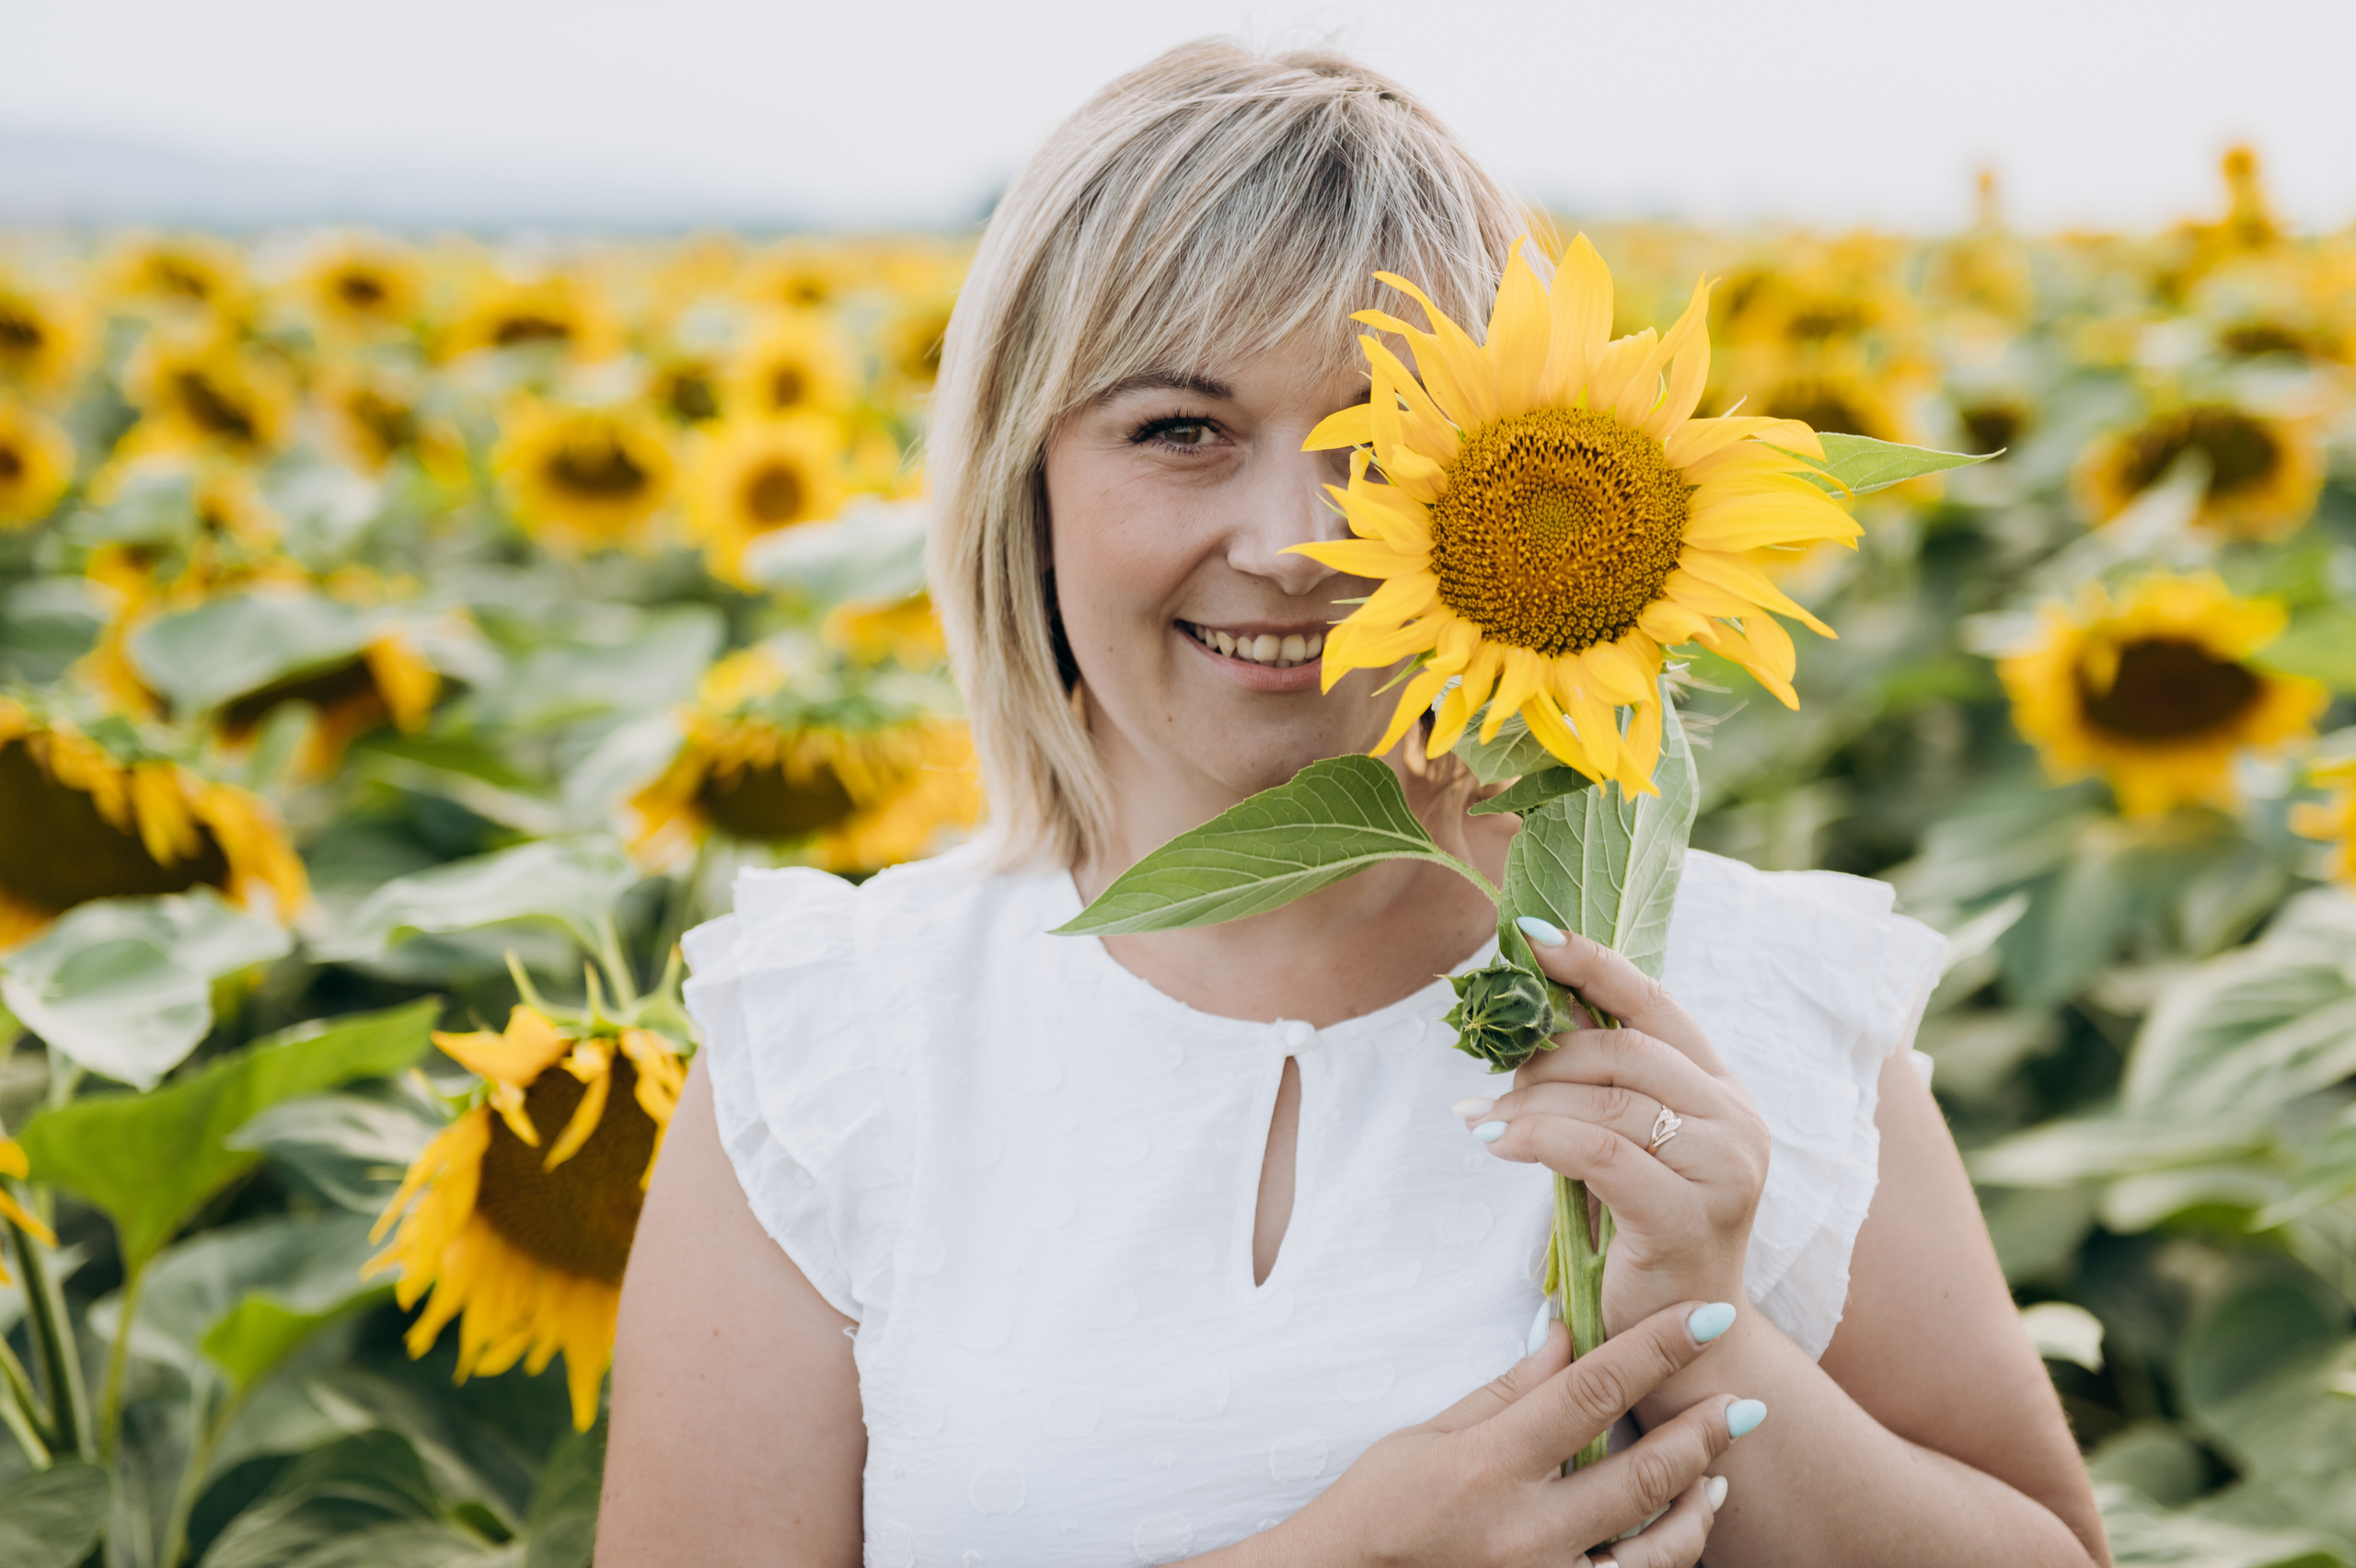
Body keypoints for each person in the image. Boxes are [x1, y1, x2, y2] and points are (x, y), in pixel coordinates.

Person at [599, 39, 2109, 1568]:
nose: (1292, 538)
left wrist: (1704, 1337)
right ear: (1020, 474)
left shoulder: (1737, 1002)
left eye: (1381, 442)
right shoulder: (843, 1046)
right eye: (1179, 430)